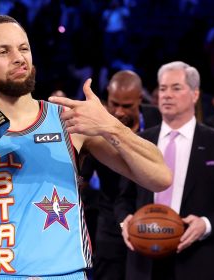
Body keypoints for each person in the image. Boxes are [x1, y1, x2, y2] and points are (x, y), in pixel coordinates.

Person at [0, 15, 171, 279]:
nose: (19, 58)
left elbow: (160, 177)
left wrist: (111, 126)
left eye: (24, 48)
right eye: (3, 51)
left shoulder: (68, 120)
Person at [119, 61, 214, 280]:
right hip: (144, 263)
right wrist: (126, 219)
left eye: (176, 88)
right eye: (163, 88)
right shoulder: (139, 141)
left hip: (198, 261)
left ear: (195, 94)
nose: (167, 95)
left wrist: (205, 225)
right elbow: (123, 198)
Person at [81, 70, 161, 280]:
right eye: (114, 103)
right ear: (107, 94)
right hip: (111, 224)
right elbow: (82, 178)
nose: (118, 112)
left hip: (153, 220)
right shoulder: (96, 127)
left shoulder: (157, 119)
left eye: (126, 106)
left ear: (139, 99)